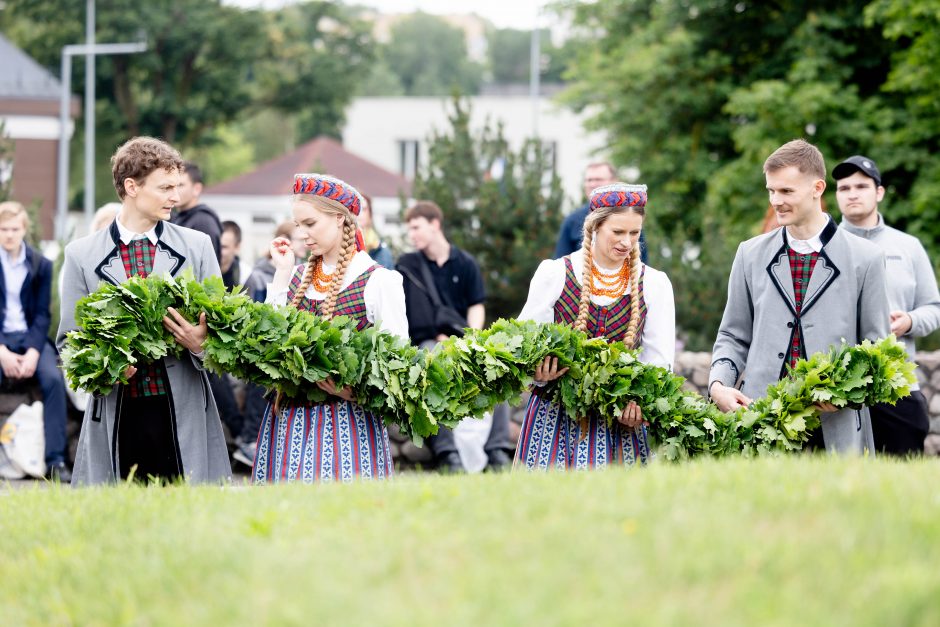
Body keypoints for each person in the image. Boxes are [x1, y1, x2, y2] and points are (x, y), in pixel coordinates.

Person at [57, 137, 231, 485]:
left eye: (177, 186)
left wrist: (200, 344)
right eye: (166, 187)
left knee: (190, 521)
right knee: (118, 523)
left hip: (183, 409)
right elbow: (69, 342)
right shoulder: (80, 254)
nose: (176, 197)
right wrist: (106, 368)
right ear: (131, 186)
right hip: (117, 413)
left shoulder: (197, 246)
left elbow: (226, 338)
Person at [709, 139, 890, 454]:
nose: (776, 200)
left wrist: (844, 393)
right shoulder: (749, 254)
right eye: (771, 190)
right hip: (761, 422)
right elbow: (733, 336)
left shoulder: (867, 258)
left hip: (837, 430)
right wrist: (718, 386)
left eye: (786, 191)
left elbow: (878, 351)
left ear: (817, 188)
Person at [252, 173, 407, 483]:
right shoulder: (295, 277)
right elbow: (265, 343)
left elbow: (398, 359)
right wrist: (282, 275)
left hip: (349, 421)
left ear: (339, 219)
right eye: (298, 226)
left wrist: (358, 392)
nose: (303, 234)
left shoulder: (377, 280)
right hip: (288, 420)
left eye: (310, 224)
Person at [515, 184, 675, 470]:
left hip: (620, 420)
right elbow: (522, 345)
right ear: (595, 227)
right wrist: (537, 373)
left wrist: (638, 402)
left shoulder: (653, 283)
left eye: (635, 233)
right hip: (554, 417)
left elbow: (659, 360)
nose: (627, 242)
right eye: (618, 232)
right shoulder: (555, 274)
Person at [834, 155, 940, 455]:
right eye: (844, 188)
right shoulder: (825, 247)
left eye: (861, 186)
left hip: (897, 385)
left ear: (879, 192)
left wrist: (909, 321)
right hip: (838, 387)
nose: (852, 193)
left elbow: (934, 306)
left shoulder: (908, 247)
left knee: (902, 479)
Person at [396, 201, 514, 472]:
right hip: (425, 342)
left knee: (496, 368)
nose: (412, 235)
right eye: (409, 229)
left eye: (416, 227)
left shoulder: (465, 263)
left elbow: (476, 305)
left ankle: (497, 449)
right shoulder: (407, 265)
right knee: (431, 367)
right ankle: (447, 453)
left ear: (435, 224)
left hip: (461, 338)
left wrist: (470, 338)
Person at [0, 201, 70, 481]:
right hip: (1, 341)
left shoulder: (41, 264)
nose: (8, 235)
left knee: (53, 380)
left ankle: (56, 460)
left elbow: (43, 314)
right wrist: (2, 351)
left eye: (14, 229)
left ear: (24, 230)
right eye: (3, 229)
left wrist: (31, 352)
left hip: (31, 339)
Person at [555, 162, 648, 263]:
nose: (592, 184)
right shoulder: (572, 220)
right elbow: (561, 258)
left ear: (614, 181)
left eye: (598, 179)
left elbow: (641, 261)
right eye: (589, 180)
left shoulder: (630, 217)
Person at [172, 161, 223, 263]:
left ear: (197, 189)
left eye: (180, 185)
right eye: (172, 185)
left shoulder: (203, 221)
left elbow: (209, 267)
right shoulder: (177, 217)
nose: (174, 190)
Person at [359, 193, 394, 269]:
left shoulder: (382, 252)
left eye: (363, 209)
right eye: (355, 208)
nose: (358, 213)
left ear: (370, 215)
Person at [219, 220, 252, 291]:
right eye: (216, 245)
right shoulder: (205, 269)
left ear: (237, 247)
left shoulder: (246, 275)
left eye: (224, 247)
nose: (218, 251)